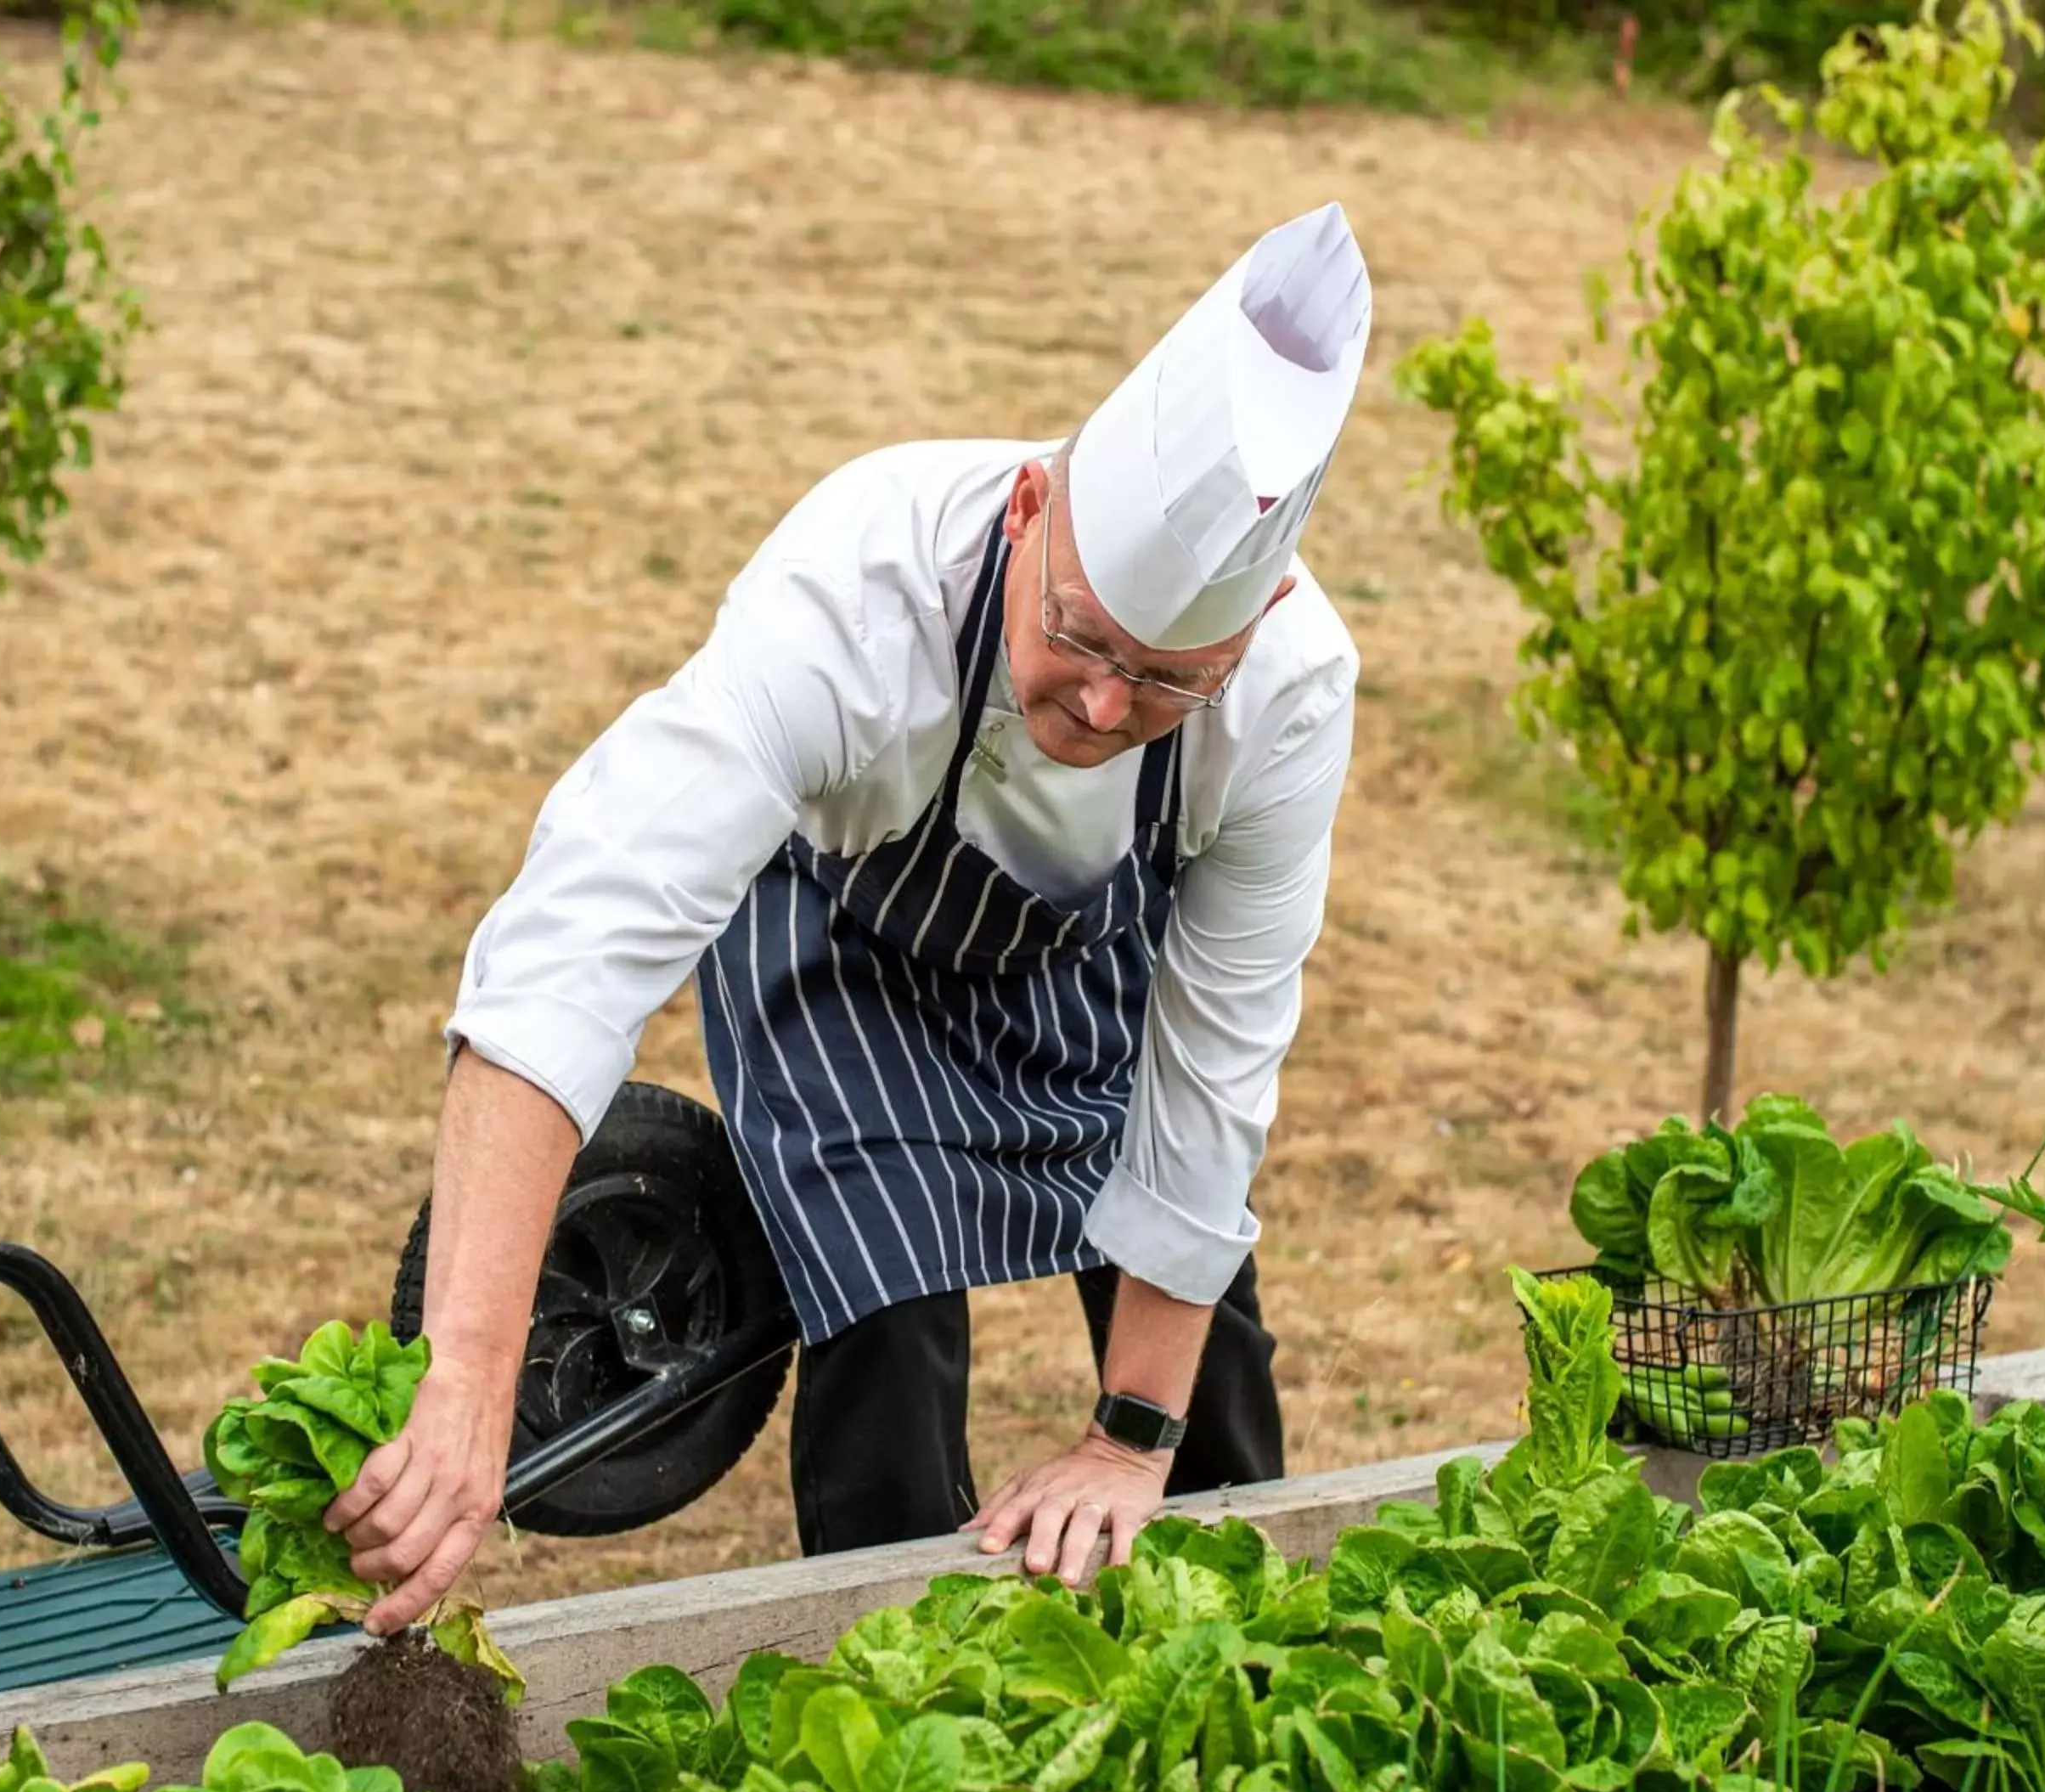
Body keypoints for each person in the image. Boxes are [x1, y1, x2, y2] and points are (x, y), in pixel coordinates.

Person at [327, 201, 1373, 1635]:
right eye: (1079, 637)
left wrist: (1130, 1436)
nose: (1108, 706)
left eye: (1168, 681)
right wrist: (466, 1373)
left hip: (1096, 978)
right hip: (854, 952)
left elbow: (1216, 1061)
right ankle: (887, 1691)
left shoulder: (1292, 690)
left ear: (1252, 634)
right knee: (885, 1336)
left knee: (1210, 1404)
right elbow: (576, 942)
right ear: (1028, 510)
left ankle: (1241, 1670)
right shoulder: (856, 593)